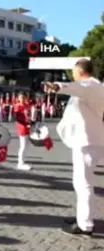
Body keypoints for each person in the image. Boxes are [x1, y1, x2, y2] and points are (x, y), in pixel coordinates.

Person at [44, 59, 104, 236]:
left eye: (74, 71)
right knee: (81, 183)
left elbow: (72, 87)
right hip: (88, 140)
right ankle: (82, 216)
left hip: (87, 142)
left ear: (81, 71)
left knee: (83, 183)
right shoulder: (92, 87)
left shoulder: (89, 85)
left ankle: (85, 225)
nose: (72, 74)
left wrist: (55, 86)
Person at [13, 93, 32, 171]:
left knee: (27, 145)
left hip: (27, 127)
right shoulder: (17, 106)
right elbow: (16, 118)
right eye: (21, 97)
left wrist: (31, 122)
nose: (22, 99)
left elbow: (27, 116)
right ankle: (20, 163)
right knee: (23, 146)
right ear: (18, 98)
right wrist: (25, 124)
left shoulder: (26, 105)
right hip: (22, 127)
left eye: (24, 97)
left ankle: (23, 161)